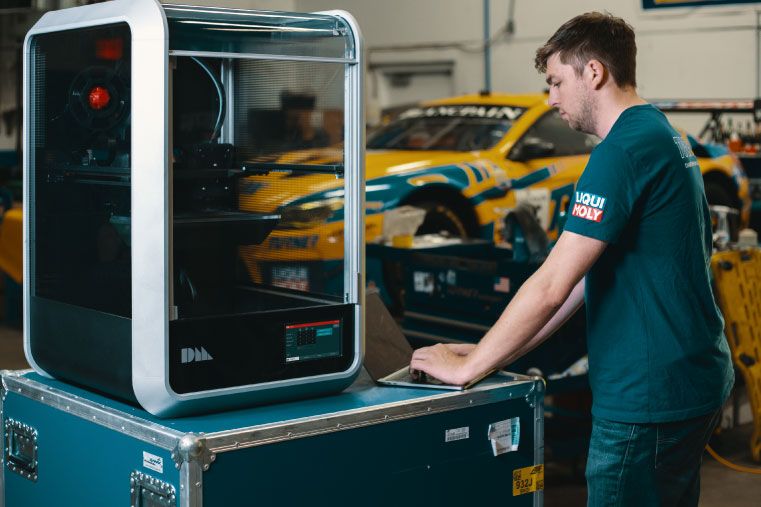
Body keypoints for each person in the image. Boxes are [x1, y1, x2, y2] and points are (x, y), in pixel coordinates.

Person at [410, 12, 734, 507]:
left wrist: (468, 367)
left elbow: (551, 285)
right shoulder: (658, 132)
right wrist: (487, 352)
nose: (551, 99)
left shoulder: (620, 153)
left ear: (595, 73)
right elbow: (579, 285)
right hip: (689, 379)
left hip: (646, 400)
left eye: (557, 82)